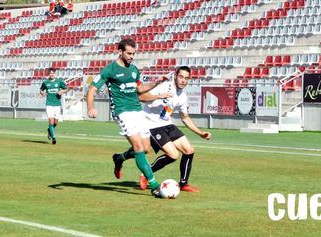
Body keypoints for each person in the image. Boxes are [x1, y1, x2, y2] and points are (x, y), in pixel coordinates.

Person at [87, 38, 167, 198]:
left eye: (134, 54)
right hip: (122, 111)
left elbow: (140, 89)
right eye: (129, 53)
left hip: (137, 110)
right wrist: (91, 107)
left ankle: (120, 158)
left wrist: (156, 83)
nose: (132, 56)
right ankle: (154, 185)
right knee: (138, 146)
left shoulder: (134, 70)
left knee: (146, 148)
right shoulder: (109, 70)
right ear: (120, 51)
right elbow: (91, 89)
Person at [113, 66, 211, 192]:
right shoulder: (164, 86)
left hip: (167, 124)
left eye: (186, 78)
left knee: (189, 150)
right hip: (151, 125)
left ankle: (183, 184)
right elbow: (141, 97)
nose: (183, 81)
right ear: (175, 75)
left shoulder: (183, 96)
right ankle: (145, 174)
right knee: (172, 154)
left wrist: (200, 133)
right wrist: (159, 96)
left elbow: (185, 118)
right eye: (181, 77)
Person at [40, 67, 68, 145]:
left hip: (57, 104)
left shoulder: (59, 82)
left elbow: (66, 89)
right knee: (51, 121)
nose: (52, 74)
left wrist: (62, 91)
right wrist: (42, 93)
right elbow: (41, 90)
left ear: (55, 74)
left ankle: (49, 130)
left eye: (53, 73)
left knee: (56, 122)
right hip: (49, 104)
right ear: (48, 74)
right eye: (50, 73)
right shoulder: (45, 82)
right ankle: (53, 138)